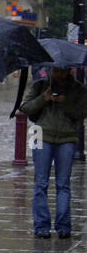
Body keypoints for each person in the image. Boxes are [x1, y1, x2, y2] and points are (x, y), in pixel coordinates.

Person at [20, 66, 87, 238]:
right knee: (40, 183)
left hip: (66, 138)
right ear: (50, 70)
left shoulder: (77, 88)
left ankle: (63, 226)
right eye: (56, 71)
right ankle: (41, 226)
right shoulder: (40, 85)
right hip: (41, 134)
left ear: (69, 71)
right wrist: (45, 98)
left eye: (63, 71)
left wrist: (64, 102)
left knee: (63, 184)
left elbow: (82, 112)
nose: (59, 75)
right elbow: (26, 107)